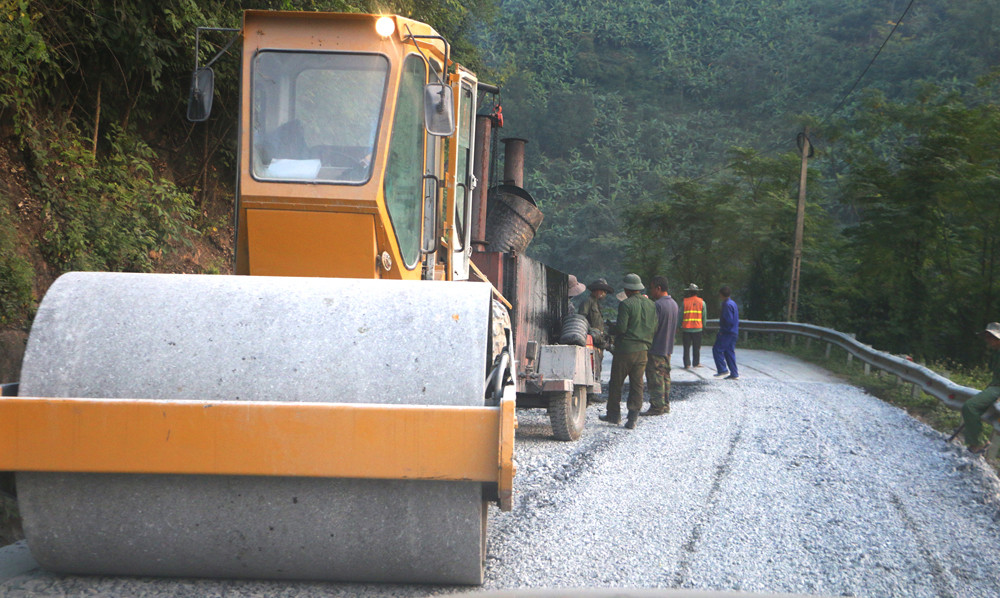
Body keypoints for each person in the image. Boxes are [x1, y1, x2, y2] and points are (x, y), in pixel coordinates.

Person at [601, 273, 657, 429]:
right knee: (637, 384)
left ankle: (613, 415)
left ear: (627, 289)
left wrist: (611, 329)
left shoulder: (626, 304)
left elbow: (621, 328)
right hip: (643, 350)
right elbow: (654, 327)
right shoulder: (651, 304)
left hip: (625, 350)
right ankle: (632, 417)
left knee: (616, 383)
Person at [642, 276, 678, 416]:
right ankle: (665, 404)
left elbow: (652, 326)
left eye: (652, 288)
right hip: (668, 346)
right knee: (665, 376)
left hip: (656, 346)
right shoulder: (674, 304)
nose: (651, 291)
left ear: (658, 288)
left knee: (655, 377)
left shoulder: (657, 305)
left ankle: (657, 406)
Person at [962, 322, 1000, 453]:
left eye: (991, 337)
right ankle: (977, 442)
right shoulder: (996, 353)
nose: (988, 340)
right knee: (971, 408)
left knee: (970, 406)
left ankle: (979, 443)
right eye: (987, 337)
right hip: (994, 387)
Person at [579, 278, 614, 402]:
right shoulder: (587, 302)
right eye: (602, 290)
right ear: (597, 290)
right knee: (592, 366)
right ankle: (589, 395)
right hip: (591, 340)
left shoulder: (597, 303)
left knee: (597, 366)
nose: (604, 293)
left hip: (598, 340)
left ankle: (593, 392)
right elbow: (581, 320)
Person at [712, 285, 739, 380]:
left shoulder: (726, 304)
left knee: (717, 349)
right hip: (734, 331)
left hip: (727, 332)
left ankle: (722, 369)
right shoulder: (733, 303)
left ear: (721, 295)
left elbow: (728, 320)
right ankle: (734, 373)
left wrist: (723, 331)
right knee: (729, 352)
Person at [681, 283, 706, 368]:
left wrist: (678, 325)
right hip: (697, 328)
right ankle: (696, 363)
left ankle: (687, 364)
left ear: (689, 292)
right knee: (696, 347)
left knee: (686, 348)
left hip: (686, 328)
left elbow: (681, 315)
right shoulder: (702, 302)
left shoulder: (685, 302)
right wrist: (703, 326)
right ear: (697, 292)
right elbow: (704, 316)